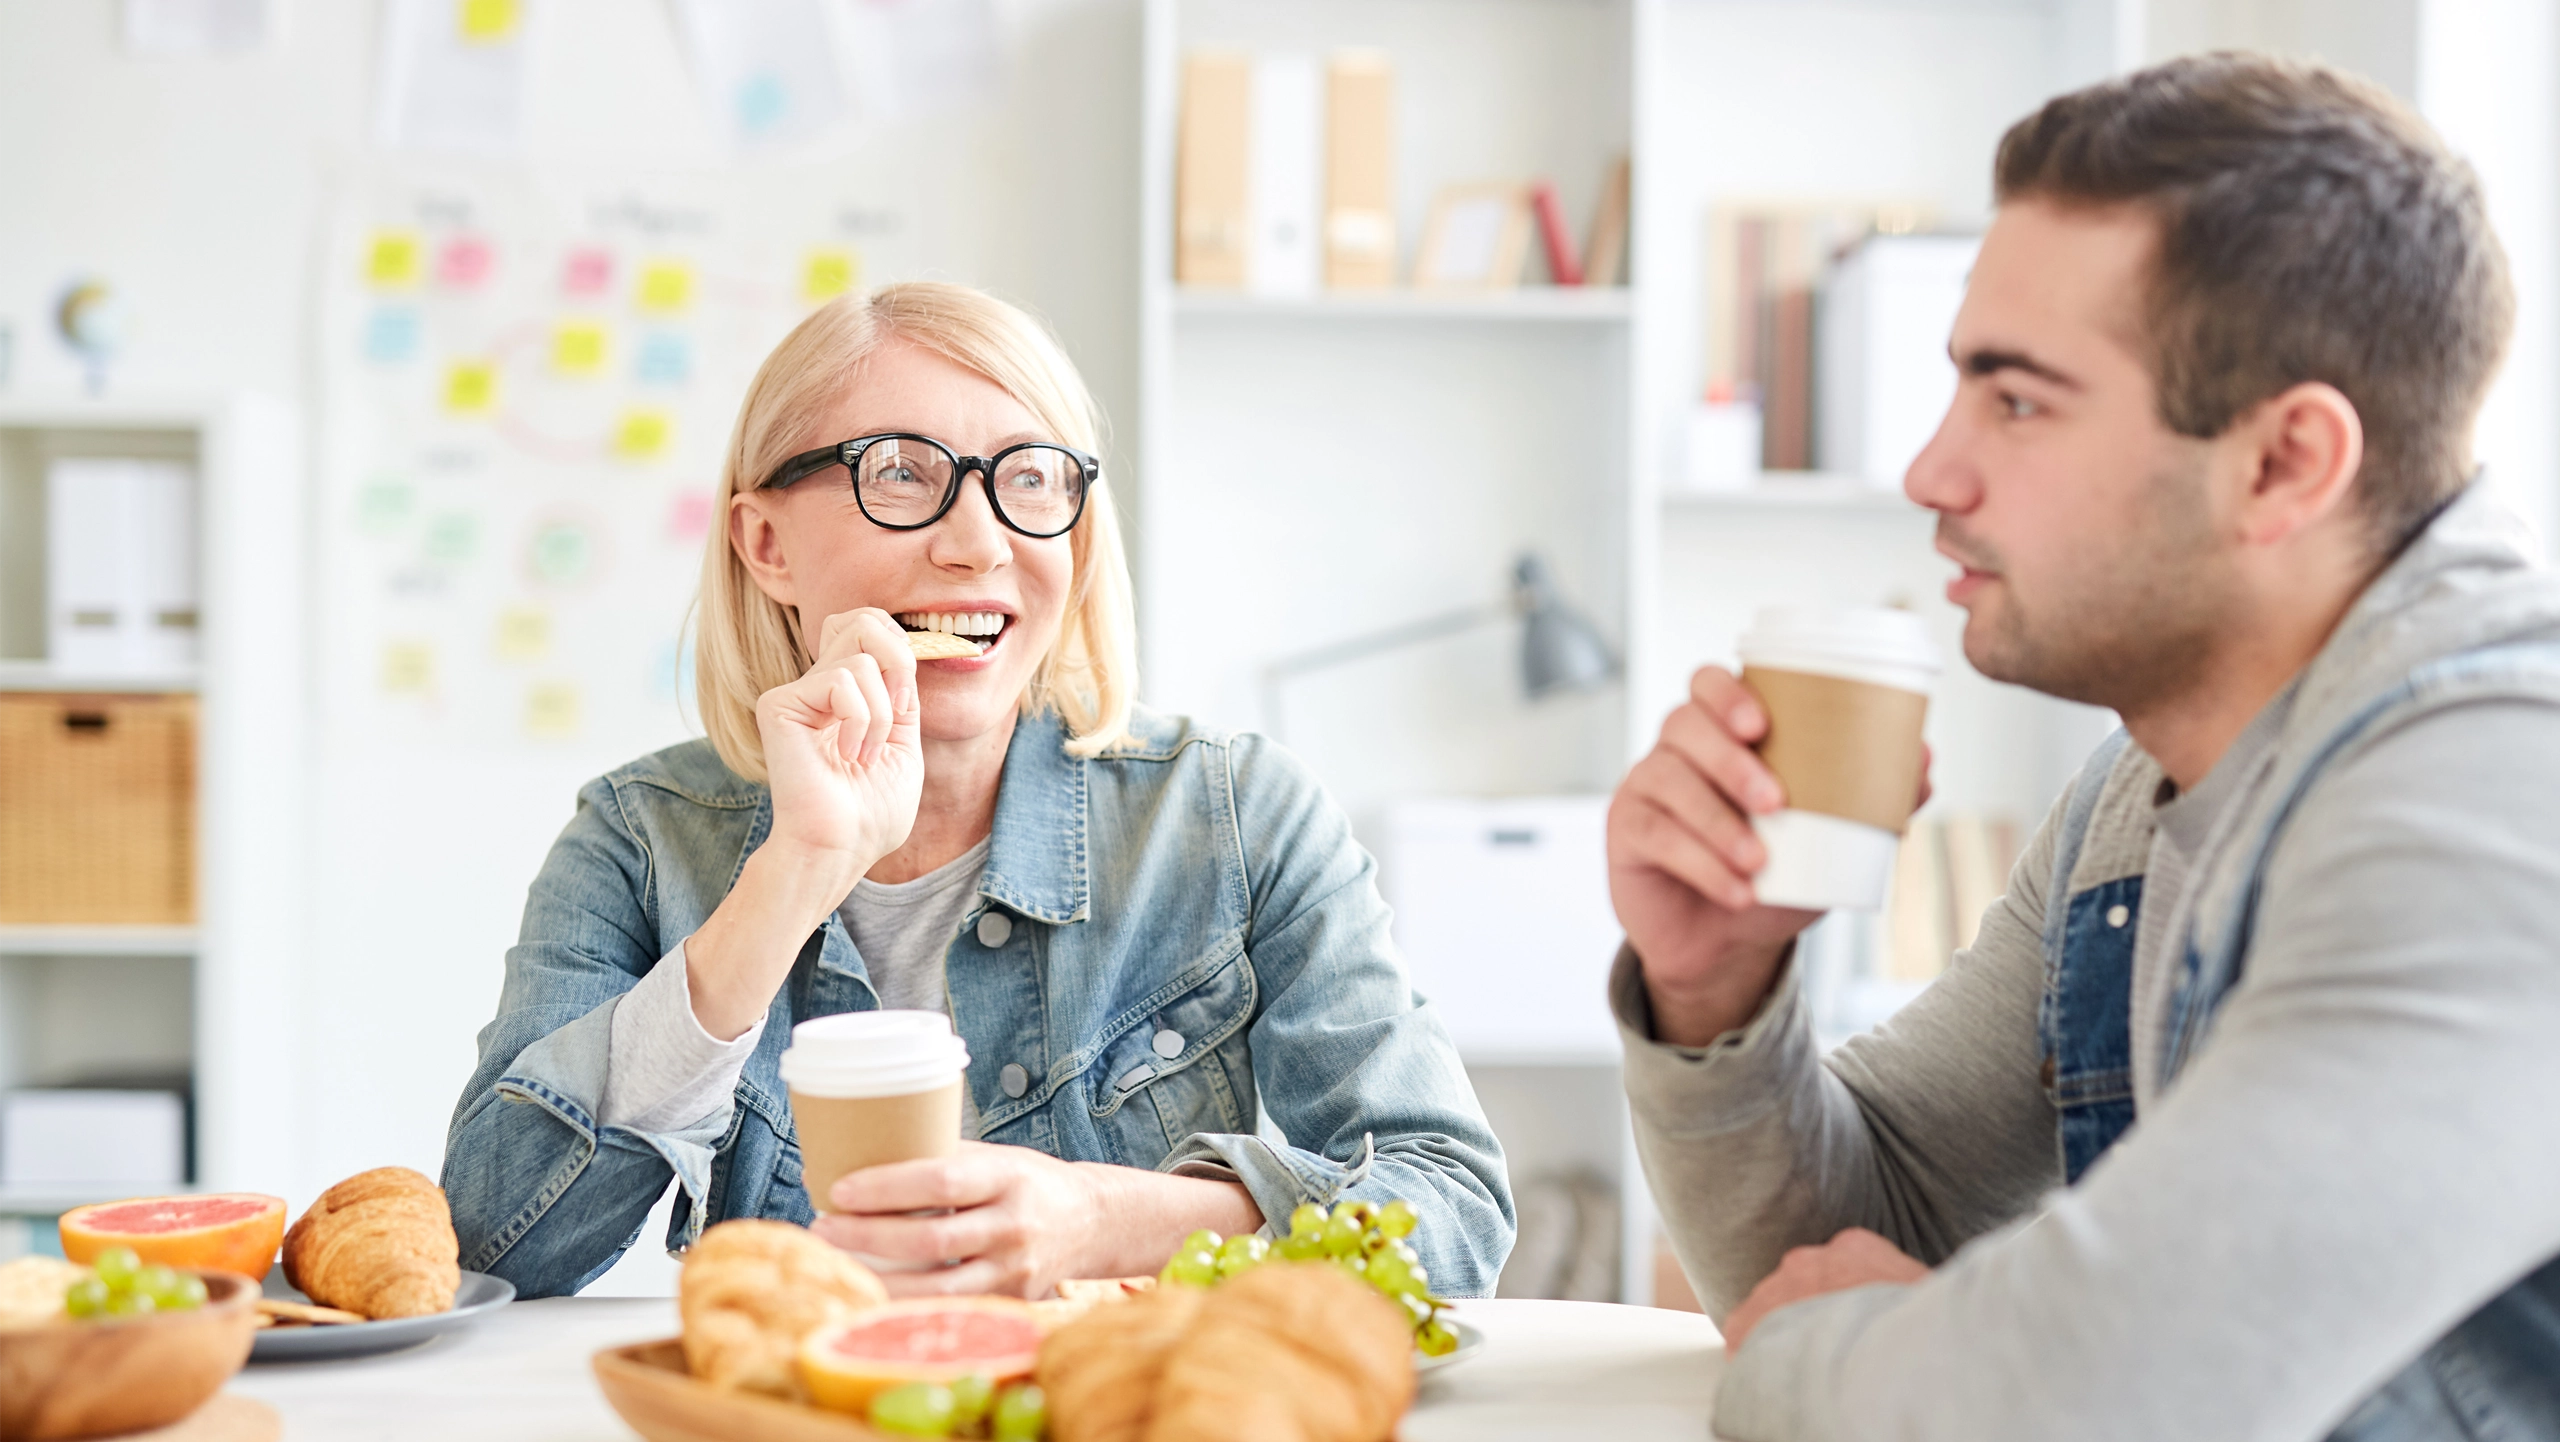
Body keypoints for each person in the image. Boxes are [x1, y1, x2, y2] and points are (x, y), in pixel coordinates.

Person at [1607, 55, 2560, 1441]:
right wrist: (1715, 987)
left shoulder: (2495, 789)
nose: (1931, 472)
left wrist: (1825, 1355)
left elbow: (2091, 1394)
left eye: (2018, 399)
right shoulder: (2143, 793)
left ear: (2287, 462)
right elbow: (1853, 1235)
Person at [443, 282, 1512, 1300]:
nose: (978, 541)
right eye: (901, 473)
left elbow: (1453, 1208)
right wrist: (791, 877)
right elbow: (494, 1241)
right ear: (766, 543)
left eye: (1032, 477)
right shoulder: (638, 839)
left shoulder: (1235, 816)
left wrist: (1112, 1217)